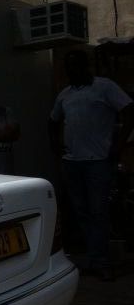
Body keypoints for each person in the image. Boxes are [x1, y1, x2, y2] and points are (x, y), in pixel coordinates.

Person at [50, 50, 134, 281]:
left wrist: (118, 145)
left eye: (76, 65)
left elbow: (129, 111)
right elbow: (53, 120)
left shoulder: (104, 86)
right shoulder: (65, 94)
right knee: (81, 211)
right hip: (72, 162)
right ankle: (94, 257)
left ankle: (101, 261)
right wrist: (56, 146)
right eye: (69, 66)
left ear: (86, 66)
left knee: (98, 211)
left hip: (98, 161)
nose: (72, 70)